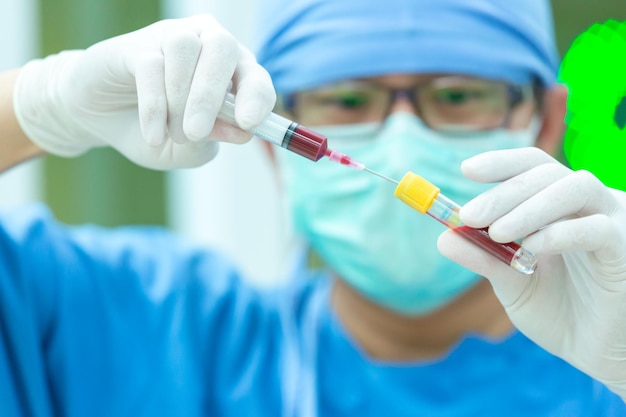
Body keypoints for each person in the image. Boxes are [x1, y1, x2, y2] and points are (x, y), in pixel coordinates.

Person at [1, 1, 626, 416]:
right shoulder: (154, 331)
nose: (400, 137)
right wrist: (40, 107)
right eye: (347, 100)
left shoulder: (609, 356)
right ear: (274, 143)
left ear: (546, 121)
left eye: (459, 95)